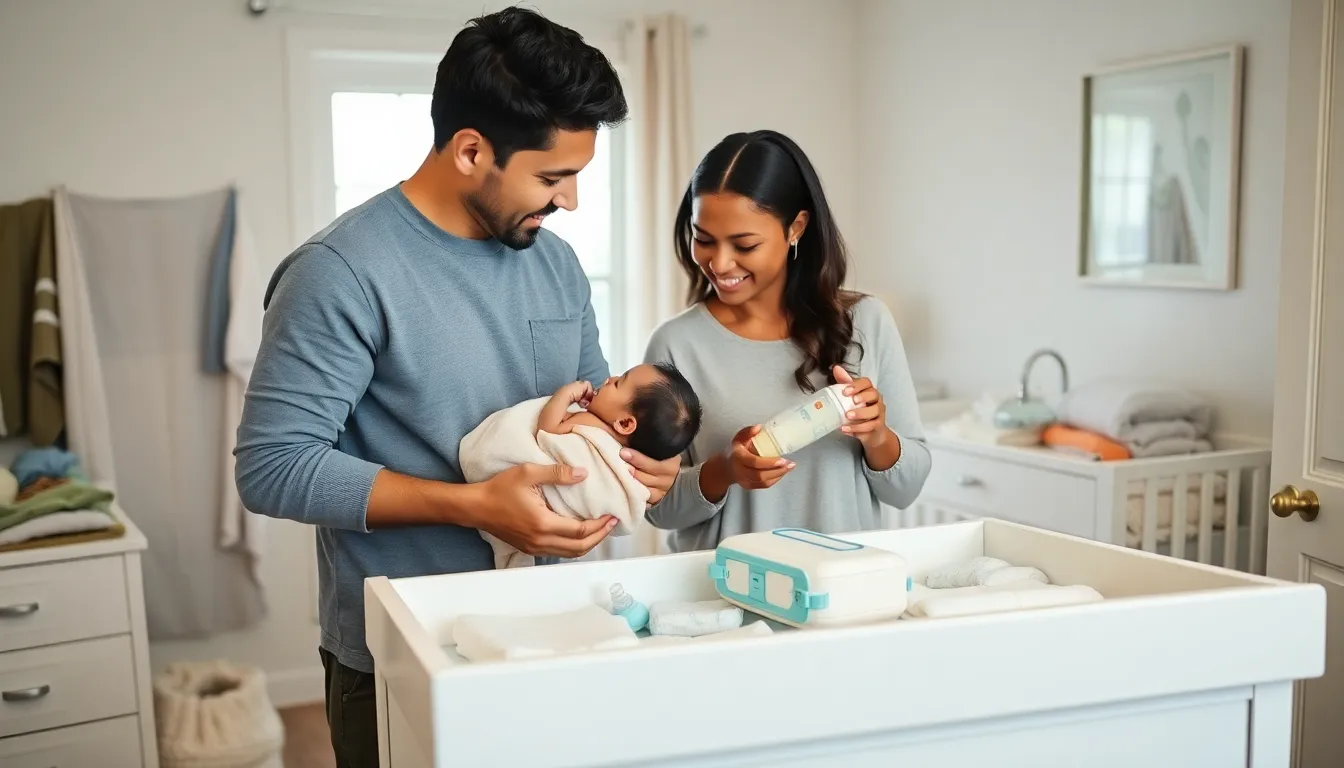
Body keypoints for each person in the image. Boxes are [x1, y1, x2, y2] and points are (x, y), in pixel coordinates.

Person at [232, 8, 680, 766]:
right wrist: (471, 506)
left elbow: (594, 405)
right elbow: (272, 466)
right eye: (552, 177)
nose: (569, 201)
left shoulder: (555, 265)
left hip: (549, 625)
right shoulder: (340, 274)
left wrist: (639, 463)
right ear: (471, 150)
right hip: (403, 647)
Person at [643, 130, 932, 551]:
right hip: (723, 599)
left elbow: (905, 491)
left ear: (795, 227)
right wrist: (724, 471)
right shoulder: (676, 345)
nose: (719, 263)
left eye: (744, 244)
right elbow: (658, 507)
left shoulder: (866, 322)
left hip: (840, 594)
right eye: (703, 239)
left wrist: (877, 436)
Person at [461, 363, 702, 568]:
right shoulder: (623, 456)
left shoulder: (588, 422)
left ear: (625, 424)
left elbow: (548, 430)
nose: (610, 379)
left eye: (619, 383)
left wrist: (566, 395)